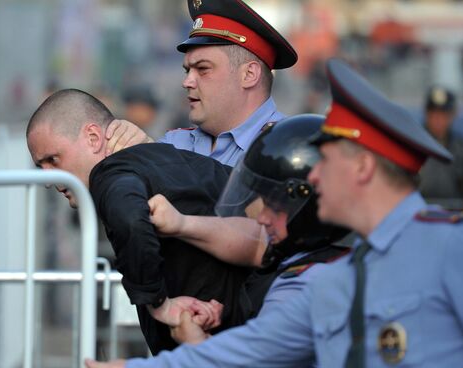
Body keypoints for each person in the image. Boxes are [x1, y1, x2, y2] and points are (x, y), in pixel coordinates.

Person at [87, 59, 463, 368]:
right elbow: (241, 352)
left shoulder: (457, 249)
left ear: (362, 168)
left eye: (326, 161)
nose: (312, 176)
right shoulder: (339, 277)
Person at [86, 113, 350, 368]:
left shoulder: (303, 289)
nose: (261, 218)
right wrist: (180, 223)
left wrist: (195, 343)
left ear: (308, 207)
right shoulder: (314, 259)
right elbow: (252, 242)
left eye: (273, 205)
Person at [26, 88, 254, 354]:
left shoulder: (109, 176)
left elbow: (130, 221)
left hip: (210, 344)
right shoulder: (185, 161)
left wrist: (160, 305)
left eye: (53, 160)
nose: (48, 179)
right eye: (40, 167)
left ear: (92, 137)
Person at [105, 0, 297, 166]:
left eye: (203, 69)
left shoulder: (289, 146)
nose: (187, 81)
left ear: (249, 74)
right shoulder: (175, 143)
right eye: (187, 70)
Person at [417, 86, 463, 205]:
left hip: (455, 211)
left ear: (452, 115)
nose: (438, 119)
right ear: (426, 113)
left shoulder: (462, 147)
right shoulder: (414, 143)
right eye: (434, 113)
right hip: (419, 210)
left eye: (443, 114)